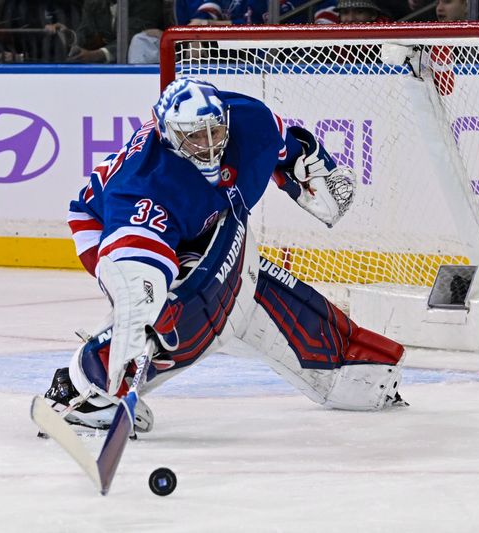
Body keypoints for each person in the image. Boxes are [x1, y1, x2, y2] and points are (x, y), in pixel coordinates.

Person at [45, 78, 407, 431]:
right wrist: (143, 311)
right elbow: (136, 269)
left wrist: (309, 172)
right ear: (170, 137)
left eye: (214, 132)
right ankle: (88, 387)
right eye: (194, 137)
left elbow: (289, 149)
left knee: (234, 287)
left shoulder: (250, 121)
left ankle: (347, 371)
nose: (207, 145)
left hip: (200, 221)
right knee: (173, 313)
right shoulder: (145, 189)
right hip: (105, 224)